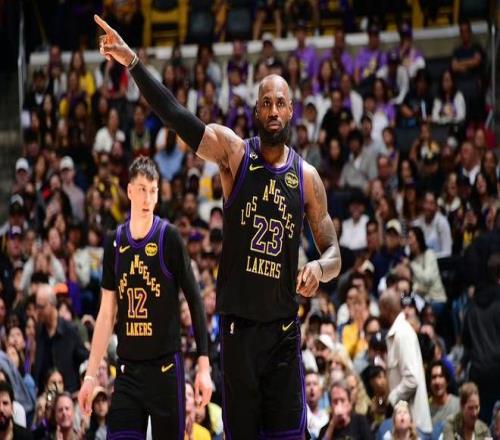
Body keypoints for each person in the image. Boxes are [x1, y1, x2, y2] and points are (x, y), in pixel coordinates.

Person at [94, 14, 341, 439]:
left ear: (291, 110)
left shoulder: (308, 178)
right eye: (266, 103)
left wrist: (319, 268)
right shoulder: (235, 154)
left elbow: (334, 253)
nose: (274, 110)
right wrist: (134, 63)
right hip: (238, 331)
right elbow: (178, 117)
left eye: (281, 103)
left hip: (283, 331)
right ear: (256, 110)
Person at [78, 157, 212, 439]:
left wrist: (203, 365)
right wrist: (90, 375)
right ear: (129, 191)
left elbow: (195, 300)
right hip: (128, 372)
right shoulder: (114, 242)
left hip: (166, 372)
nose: (147, 198)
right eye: (141, 189)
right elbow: (106, 314)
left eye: (153, 190)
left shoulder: (169, 238)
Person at [379, 289, 432, 436]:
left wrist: (391, 400)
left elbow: (411, 379)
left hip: (415, 427)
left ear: (387, 309)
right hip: (405, 427)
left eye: (381, 309)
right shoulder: (399, 332)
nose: (379, 315)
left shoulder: (402, 334)